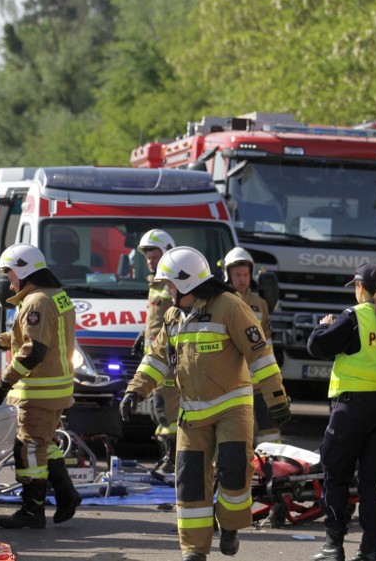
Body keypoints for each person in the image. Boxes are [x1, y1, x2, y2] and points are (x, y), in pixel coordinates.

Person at [119, 246, 291, 561]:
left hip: (232, 408)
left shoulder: (231, 307)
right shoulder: (173, 316)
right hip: (192, 414)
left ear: (186, 283)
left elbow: (260, 355)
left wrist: (276, 399)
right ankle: (194, 551)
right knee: (191, 482)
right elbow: (157, 358)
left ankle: (230, 526)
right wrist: (135, 390)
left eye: (170, 284)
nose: (167, 291)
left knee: (233, 468)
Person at [306, 263, 376, 561]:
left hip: (351, 410)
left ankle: (333, 547)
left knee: (336, 475)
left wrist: (323, 325)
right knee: (374, 485)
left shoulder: (353, 318)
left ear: (360, 288)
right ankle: (370, 552)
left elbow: (316, 346)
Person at [0, 243, 80, 529]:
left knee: (28, 448)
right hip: (57, 389)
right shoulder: (56, 296)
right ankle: (67, 494)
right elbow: (31, 335)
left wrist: (5, 381)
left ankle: (32, 510)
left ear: (24, 270)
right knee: (45, 443)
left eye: (10, 273)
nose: (9, 280)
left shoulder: (36, 301)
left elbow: (33, 349)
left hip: (38, 392)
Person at [221, 247, 281, 446]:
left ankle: (271, 469)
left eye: (245, 274)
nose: (242, 279)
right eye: (237, 274)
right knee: (237, 434)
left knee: (268, 432)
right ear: (228, 275)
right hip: (231, 383)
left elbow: (267, 342)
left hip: (259, 383)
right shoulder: (220, 303)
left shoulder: (260, 304)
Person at [132, 228, 180, 473]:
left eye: (155, 255)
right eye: (148, 256)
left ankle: (172, 460)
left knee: (167, 410)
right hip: (156, 357)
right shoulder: (156, 284)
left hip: (168, 360)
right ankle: (166, 458)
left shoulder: (173, 284)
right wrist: (143, 336)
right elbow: (157, 319)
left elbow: (176, 319)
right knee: (156, 410)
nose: (150, 261)